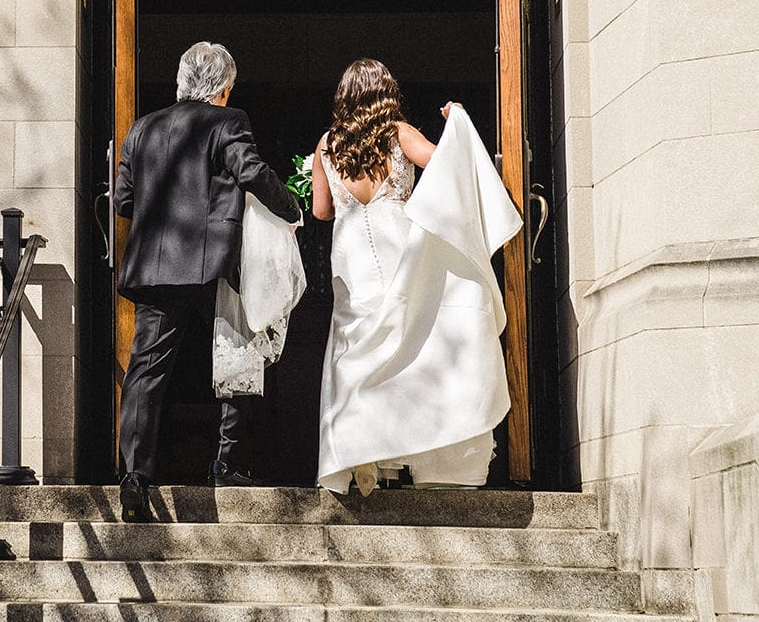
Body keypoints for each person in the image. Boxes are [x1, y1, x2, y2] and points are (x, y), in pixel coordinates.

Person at [311, 59, 522, 493]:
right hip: (396, 247)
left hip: (350, 256)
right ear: (385, 93)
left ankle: (359, 453)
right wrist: (456, 123)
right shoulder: (398, 133)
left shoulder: (326, 146)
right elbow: (445, 165)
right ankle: (412, 441)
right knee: (409, 345)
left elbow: (320, 211)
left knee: (356, 351)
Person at [114, 41, 302, 521]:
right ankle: (226, 462)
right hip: (214, 262)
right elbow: (251, 172)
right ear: (221, 89)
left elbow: (122, 200)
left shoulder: (141, 128)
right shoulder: (228, 121)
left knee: (146, 370)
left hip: (156, 268)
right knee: (238, 349)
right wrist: (291, 209)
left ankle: (135, 475)